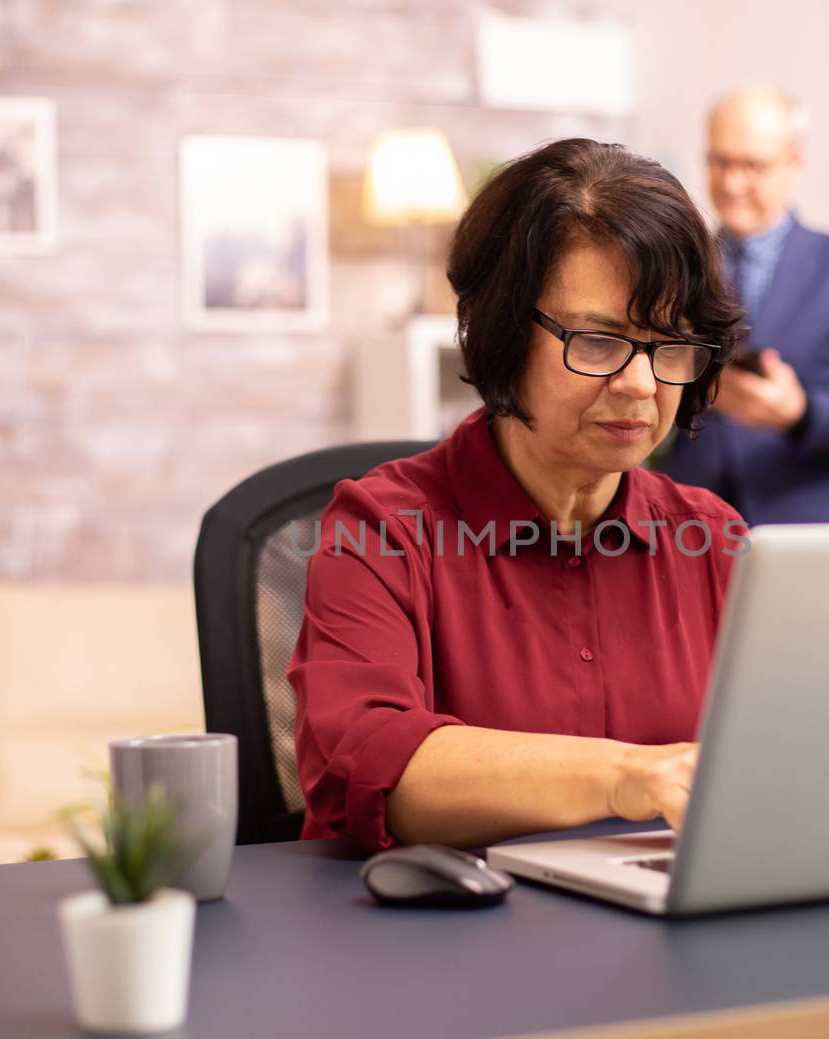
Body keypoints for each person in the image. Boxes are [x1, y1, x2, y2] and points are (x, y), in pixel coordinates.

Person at [291, 138, 748, 852]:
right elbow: (366, 763)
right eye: (598, 341)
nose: (639, 384)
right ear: (504, 332)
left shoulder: (715, 540)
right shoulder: (381, 530)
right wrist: (626, 774)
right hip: (442, 942)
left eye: (670, 344)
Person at [659, 87, 829, 524]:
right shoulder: (673, 268)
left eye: (752, 165)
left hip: (814, 534)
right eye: (719, 162)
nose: (731, 182)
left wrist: (800, 413)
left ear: (794, 162)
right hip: (691, 528)